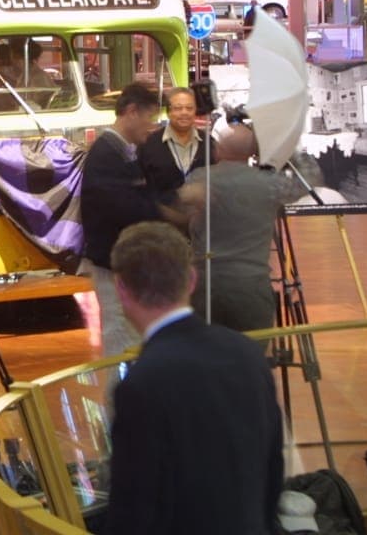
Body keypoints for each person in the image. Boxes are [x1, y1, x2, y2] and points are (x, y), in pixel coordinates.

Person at [103, 221, 283, 535]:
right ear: (191, 279)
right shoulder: (247, 353)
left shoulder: (141, 383)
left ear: (121, 288)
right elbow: (273, 468)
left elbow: (134, 506)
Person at [80, 82, 182, 357]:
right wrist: (165, 214)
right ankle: (119, 397)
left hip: (127, 263)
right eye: (149, 118)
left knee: (131, 334)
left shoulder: (127, 152)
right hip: (112, 263)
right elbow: (122, 206)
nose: (151, 127)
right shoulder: (105, 155)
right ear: (132, 111)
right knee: (119, 336)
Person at [176, 124, 305, 333]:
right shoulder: (269, 184)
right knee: (251, 355)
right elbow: (308, 179)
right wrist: (285, 148)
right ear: (254, 151)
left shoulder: (199, 178)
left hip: (205, 284)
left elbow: (179, 210)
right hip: (251, 285)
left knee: (206, 355)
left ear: (217, 149)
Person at [137, 87, 214, 203]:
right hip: (162, 217)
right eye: (178, 108)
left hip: (203, 217)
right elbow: (142, 189)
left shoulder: (210, 143)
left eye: (189, 108)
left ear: (195, 111)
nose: (184, 112)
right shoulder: (148, 145)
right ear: (168, 112)